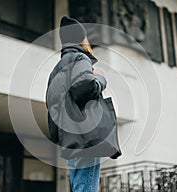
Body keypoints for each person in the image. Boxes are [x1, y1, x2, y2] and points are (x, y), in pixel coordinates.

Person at [46, 16, 107, 192]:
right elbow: (87, 86)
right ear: (81, 39)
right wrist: (100, 77)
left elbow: (51, 106)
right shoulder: (80, 58)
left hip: (69, 140)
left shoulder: (56, 69)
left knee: (79, 187)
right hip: (84, 137)